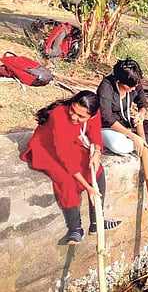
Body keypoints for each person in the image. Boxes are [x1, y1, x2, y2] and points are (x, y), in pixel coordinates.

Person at [21, 91, 121, 244]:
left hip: (70, 144)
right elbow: (65, 159)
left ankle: (97, 221)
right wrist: (87, 187)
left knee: (97, 170)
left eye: (81, 116)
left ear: (91, 116)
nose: (74, 117)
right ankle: (75, 228)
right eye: (72, 111)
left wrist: (96, 153)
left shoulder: (94, 114)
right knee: (65, 179)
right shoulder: (59, 115)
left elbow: (95, 134)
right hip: (47, 149)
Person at [97, 58, 148, 156]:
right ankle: (147, 143)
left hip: (128, 124)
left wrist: (141, 114)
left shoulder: (134, 81)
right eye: (129, 86)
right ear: (118, 81)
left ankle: (140, 143)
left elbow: (142, 104)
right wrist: (133, 136)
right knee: (118, 146)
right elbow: (107, 117)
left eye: (135, 85)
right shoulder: (106, 87)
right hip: (108, 127)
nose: (134, 88)